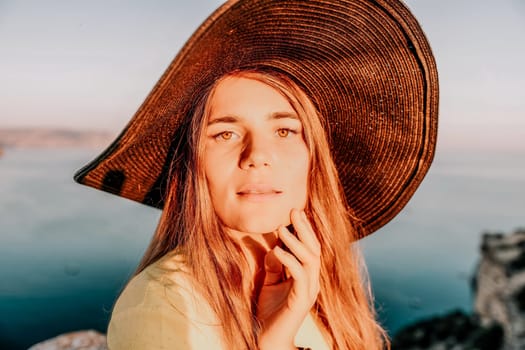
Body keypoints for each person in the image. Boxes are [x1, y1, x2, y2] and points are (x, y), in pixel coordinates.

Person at [75, 0, 438, 349]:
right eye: (225, 134)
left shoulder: (321, 285)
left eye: (285, 131)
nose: (258, 156)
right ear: (192, 165)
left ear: (315, 159)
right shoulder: (165, 309)